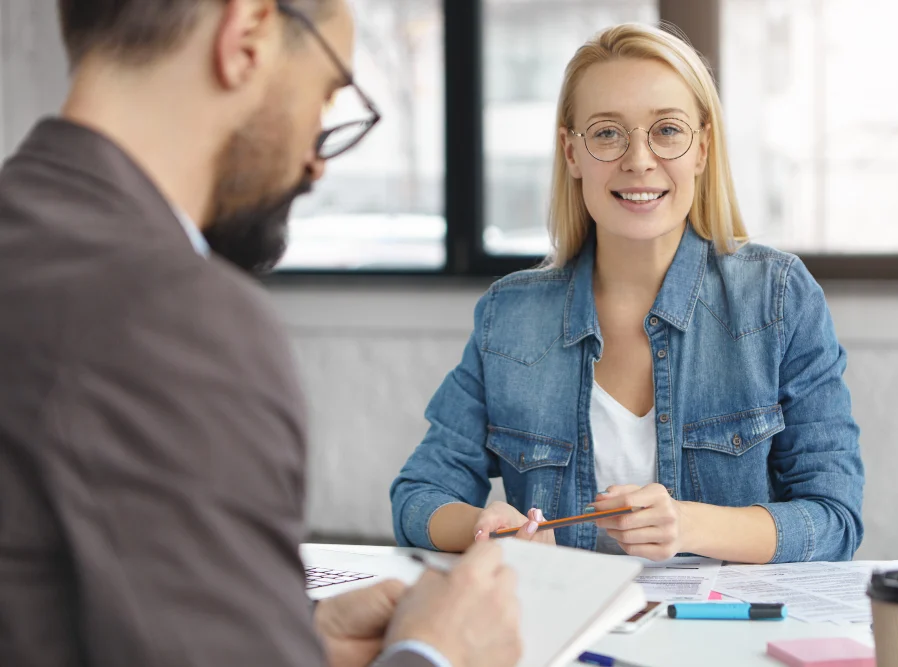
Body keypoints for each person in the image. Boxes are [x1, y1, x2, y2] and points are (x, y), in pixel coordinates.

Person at [0, 1, 521, 667]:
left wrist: (296, 638)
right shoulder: (178, 318)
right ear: (246, 37)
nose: (318, 160)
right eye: (327, 93)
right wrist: (436, 653)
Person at [391, 22, 865, 564]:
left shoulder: (778, 299)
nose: (638, 160)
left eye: (666, 130)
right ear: (571, 153)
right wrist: (484, 526)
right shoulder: (510, 316)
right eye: (607, 133)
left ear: (702, 149)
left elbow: (835, 519)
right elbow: (418, 496)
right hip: (561, 632)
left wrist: (688, 526)